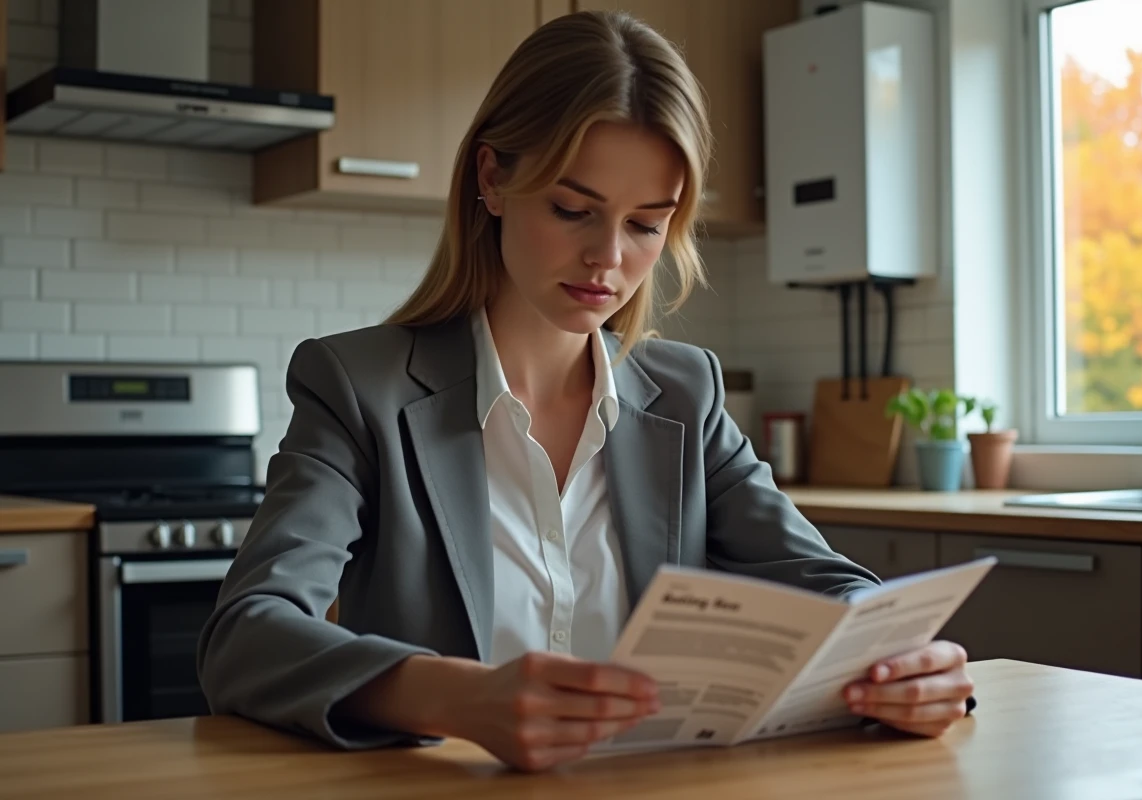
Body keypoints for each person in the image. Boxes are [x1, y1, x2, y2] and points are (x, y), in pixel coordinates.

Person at [197, 9, 974, 773]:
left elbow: (830, 585)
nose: (608, 257)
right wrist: (458, 698)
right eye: (573, 209)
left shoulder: (686, 394)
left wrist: (912, 663)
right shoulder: (356, 387)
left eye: (646, 225)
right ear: (493, 178)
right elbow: (247, 635)